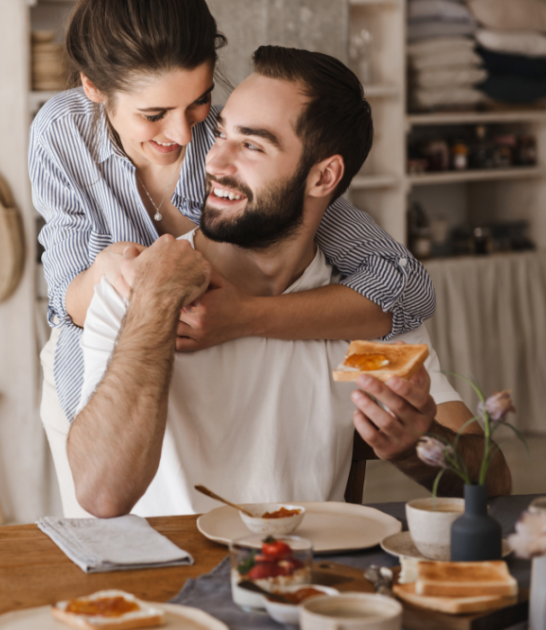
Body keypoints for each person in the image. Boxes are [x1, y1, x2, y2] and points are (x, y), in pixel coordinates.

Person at [51, 46, 511, 519]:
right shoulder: (139, 287)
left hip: (300, 580)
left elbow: (492, 479)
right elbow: (102, 494)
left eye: (251, 145)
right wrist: (155, 303)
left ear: (324, 176)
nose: (213, 162)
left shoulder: (359, 329)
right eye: (222, 134)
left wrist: (420, 444)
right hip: (158, 583)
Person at [29, 0, 436, 437]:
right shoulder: (63, 133)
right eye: (153, 115)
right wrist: (100, 277)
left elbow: (405, 285)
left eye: (200, 102)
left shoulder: (233, 144)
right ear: (93, 87)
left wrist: (247, 316)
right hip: (110, 380)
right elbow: (67, 305)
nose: (184, 135)